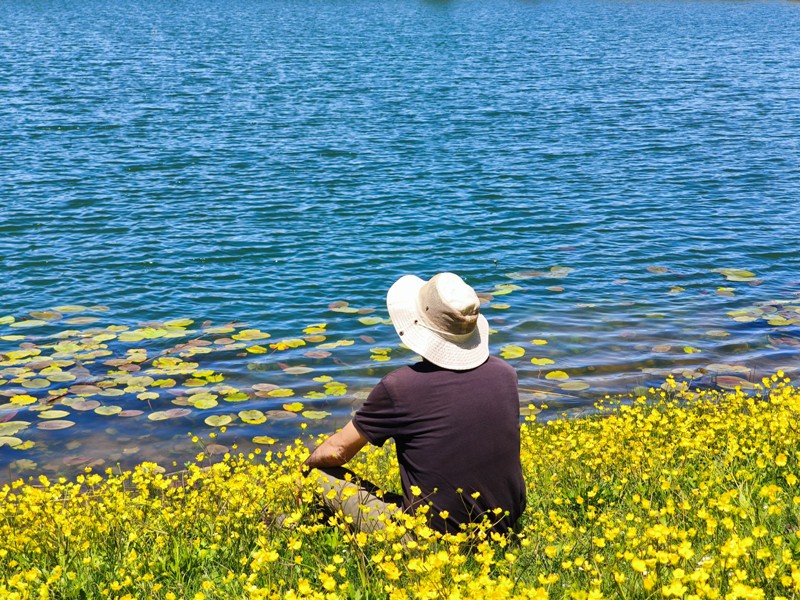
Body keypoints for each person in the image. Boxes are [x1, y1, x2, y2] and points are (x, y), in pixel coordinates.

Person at [303, 272, 526, 535]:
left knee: (317, 476)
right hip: (504, 524)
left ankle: (305, 522)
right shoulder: (505, 374)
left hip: (434, 537)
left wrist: (304, 468)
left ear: (419, 326)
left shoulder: (400, 387)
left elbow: (337, 451)